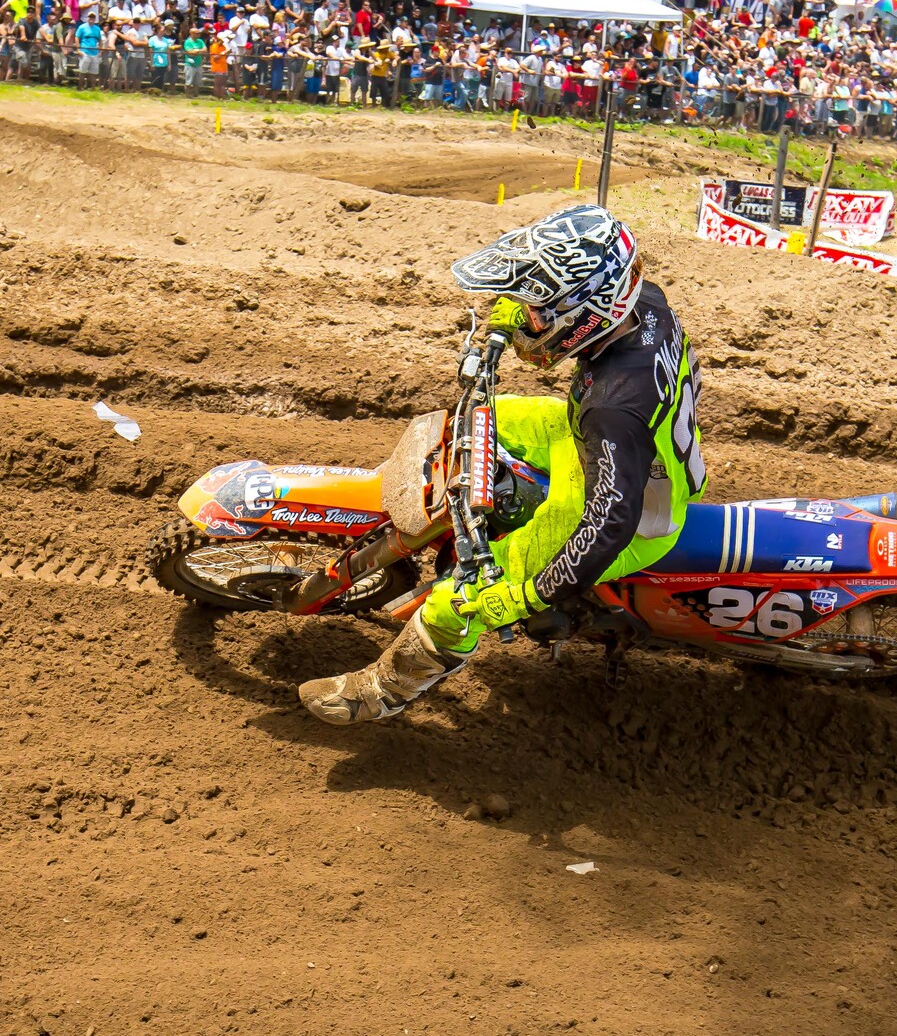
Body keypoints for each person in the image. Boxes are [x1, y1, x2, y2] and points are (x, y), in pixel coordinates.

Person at [300, 203, 705, 725]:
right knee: (475, 415)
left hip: (629, 514)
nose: (527, 321)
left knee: (463, 601)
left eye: (539, 309)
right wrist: (513, 312)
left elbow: (609, 525)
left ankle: (382, 690)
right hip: (595, 437)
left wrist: (520, 596)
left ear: (589, 314)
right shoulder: (643, 302)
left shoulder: (615, 404)